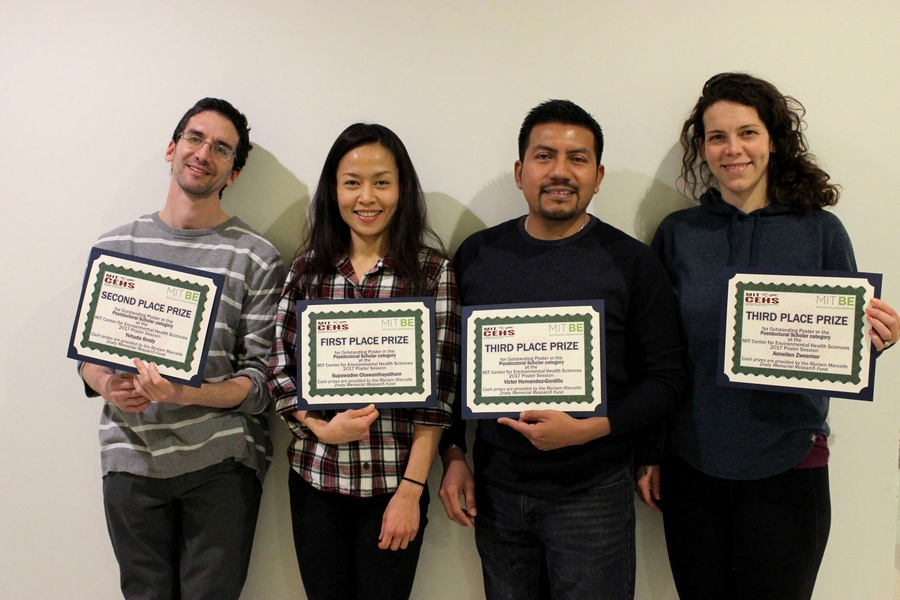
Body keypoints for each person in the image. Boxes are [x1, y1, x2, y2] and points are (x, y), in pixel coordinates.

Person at [646, 72, 900, 600]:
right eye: (717, 137)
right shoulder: (677, 234)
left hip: (790, 464)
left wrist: (875, 339)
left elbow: (844, 343)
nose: (732, 149)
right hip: (691, 465)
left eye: (748, 133)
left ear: (774, 140)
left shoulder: (821, 231)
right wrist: (649, 452)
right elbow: (657, 357)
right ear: (703, 148)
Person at [437, 99, 686, 600]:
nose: (559, 172)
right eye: (544, 155)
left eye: (577, 159)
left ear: (597, 176)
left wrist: (589, 430)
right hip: (497, 491)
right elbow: (450, 369)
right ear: (519, 171)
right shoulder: (477, 256)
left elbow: (667, 378)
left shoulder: (632, 263)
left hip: (592, 493)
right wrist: (454, 453)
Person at [78, 98, 285, 599]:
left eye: (221, 149)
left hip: (221, 465)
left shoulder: (256, 256)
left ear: (233, 173)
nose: (203, 153)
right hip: (131, 459)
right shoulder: (116, 248)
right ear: (172, 149)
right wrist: (108, 384)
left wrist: (184, 394)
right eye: (194, 138)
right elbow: (88, 357)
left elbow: (260, 385)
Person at [267, 123, 460, 600]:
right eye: (352, 182)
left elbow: (440, 396)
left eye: (382, 181)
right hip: (315, 480)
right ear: (334, 191)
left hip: (394, 486)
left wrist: (412, 490)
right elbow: (277, 366)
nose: (366, 197)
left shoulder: (433, 272)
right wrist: (318, 427)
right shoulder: (308, 268)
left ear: (403, 189)